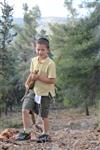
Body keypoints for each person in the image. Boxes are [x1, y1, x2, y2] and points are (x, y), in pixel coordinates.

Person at [17, 37, 56, 142]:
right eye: (38, 49)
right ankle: (26, 132)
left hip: (45, 93)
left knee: (44, 116)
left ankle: (45, 134)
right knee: (25, 110)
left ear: (48, 50)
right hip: (33, 90)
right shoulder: (34, 60)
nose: (40, 52)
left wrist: (39, 77)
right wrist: (27, 82)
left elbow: (52, 80)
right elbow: (32, 73)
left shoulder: (50, 64)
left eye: (43, 50)